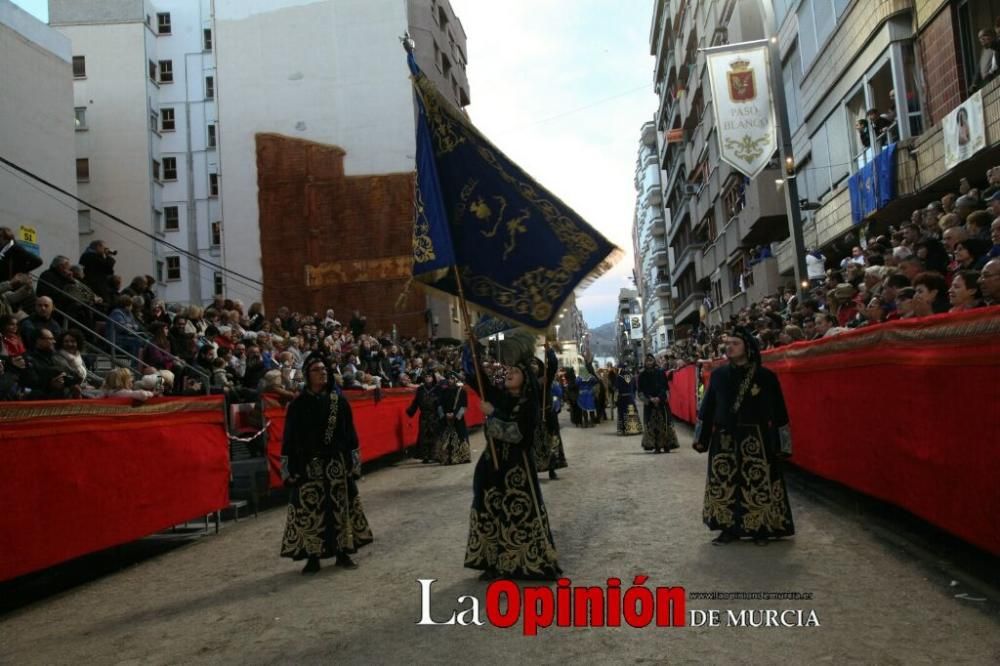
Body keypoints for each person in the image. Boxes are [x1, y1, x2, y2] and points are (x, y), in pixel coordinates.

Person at [465, 339, 561, 581]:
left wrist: (493, 415)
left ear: (526, 378)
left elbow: (518, 435)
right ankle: (491, 561)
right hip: (491, 465)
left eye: (515, 371)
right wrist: (472, 349)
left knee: (517, 511)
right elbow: (476, 377)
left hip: (518, 467)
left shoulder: (529, 405)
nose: (509, 373)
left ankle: (524, 560)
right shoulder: (498, 396)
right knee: (488, 507)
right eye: (508, 370)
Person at [693, 328, 795, 546]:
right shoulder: (719, 375)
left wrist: (783, 443)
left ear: (748, 348)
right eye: (727, 343)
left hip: (756, 436)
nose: (729, 347)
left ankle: (761, 527)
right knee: (724, 482)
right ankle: (728, 529)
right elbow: (707, 407)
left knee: (758, 481)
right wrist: (701, 437)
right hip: (725, 437)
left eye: (735, 343)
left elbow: (779, 411)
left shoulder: (765, 377)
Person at [280, 354, 373, 574]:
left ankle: (343, 552)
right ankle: (313, 556)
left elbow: (350, 434)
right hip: (308, 465)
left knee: (340, 508)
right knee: (311, 510)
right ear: (306, 375)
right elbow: (290, 438)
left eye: (324, 369)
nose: (322, 373)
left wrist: (354, 462)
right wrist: (289, 468)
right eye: (316, 370)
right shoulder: (298, 405)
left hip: (335, 465)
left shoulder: (338, 402)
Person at [638, 354, 678, 453]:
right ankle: (656, 445)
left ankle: (667, 444)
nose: (649, 362)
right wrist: (650, 399)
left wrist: (660, 398)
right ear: (645, 362)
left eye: (651, 360)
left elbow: (665, 387)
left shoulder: (660, 373)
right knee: (652, 425)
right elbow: (641, 390)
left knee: (665, 423)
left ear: (654, 361)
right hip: (650, 404)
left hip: (662, 402)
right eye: (647, 361)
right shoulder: (642, 375)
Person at [406, 371, 443, 463]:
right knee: (424, 435)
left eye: (429, 376)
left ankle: (435, 455)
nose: (427, 378)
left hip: (435, 415)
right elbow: (416, 402)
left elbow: (442, 402)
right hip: (424, 416)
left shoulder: (438, 389)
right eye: (426, 376)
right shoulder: (420, 389)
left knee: (435, 435)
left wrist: (442, 414)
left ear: (433, 378)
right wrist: (411, 411)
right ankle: (425, 456)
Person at [436, 372, 471, 465]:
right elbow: (439, 405)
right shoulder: (443, 392)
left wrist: (455, 415)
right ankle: (447, 458)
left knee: (460, 436)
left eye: (452, 378)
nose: (450, 380)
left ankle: (462, 457)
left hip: (458, 419)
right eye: (449, 379)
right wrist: (444, 415)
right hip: (446, 419)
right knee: (446, 437)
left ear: (456, 380)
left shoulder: (462, 391)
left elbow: (464, 406)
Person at [614, 362, 643, 436]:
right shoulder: (631, 376)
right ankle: (634, 429)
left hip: (622, 398)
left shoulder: (619, 377)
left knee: (622, 413)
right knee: (631, 412)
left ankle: (623, 430)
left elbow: (617, 390)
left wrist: (615, 399)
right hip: (630, 398)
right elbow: (635, 388)